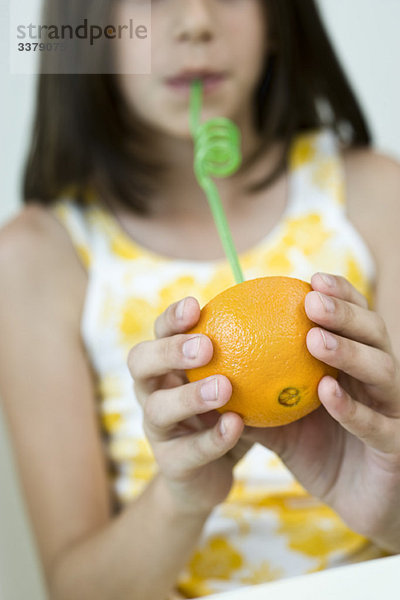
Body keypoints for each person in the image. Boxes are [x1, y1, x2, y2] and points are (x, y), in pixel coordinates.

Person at [1, 0, 400, 598]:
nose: (195, 21)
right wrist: (181, 498)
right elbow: (74, 589)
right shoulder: (38, 257)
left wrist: (389, 510)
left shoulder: (374, 196)